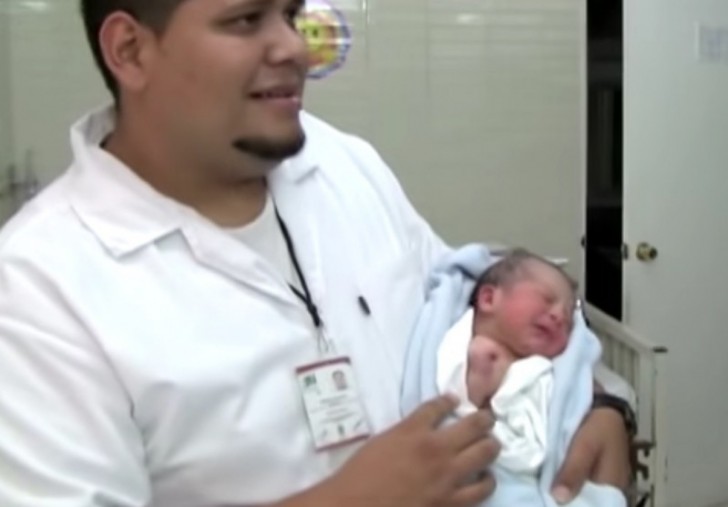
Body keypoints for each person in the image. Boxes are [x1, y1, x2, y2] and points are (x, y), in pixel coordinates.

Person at [0, 1, 631, 506]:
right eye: (246, 20)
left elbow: (472, 315)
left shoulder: (339, 165)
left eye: (290, 13)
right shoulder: (37, 289)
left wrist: (600, 403)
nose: (296, 47)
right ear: (131, 51)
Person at [464, 248, 577, 408]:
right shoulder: (474, 352)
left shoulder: (549, 373)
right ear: (489, 299)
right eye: (547, 298)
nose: (559, 317)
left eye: (568, 321)